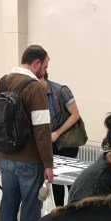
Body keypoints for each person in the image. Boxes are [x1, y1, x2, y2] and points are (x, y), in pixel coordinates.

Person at [0, 45, 53, 221]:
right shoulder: (35, 88)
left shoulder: (2, 81)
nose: (45, 72)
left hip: (6, 158)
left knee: (8, 206)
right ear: (36, 63)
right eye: (44, 67)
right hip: (30, 161)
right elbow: (42, 130)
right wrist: (48, 163)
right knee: (30, 209)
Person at [41, 71, 83, 206]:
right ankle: (59, 211)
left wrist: (58, 133)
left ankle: (75, 210)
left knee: (71, 181)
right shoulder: (35, 94)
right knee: (56, 180)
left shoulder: (61, 90)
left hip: (67, 143)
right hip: (50, 143)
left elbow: (75, 114)